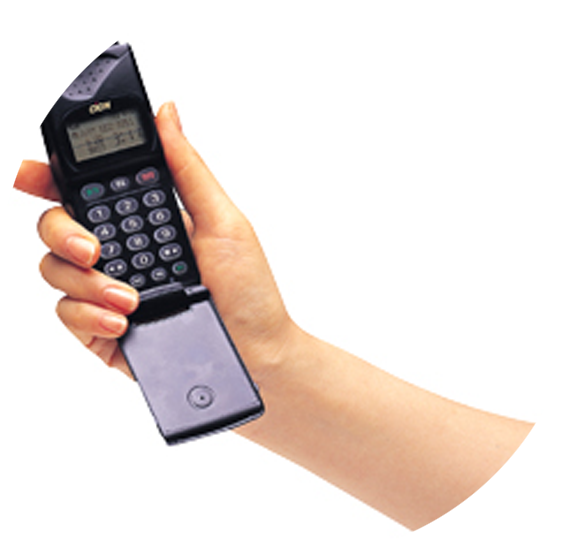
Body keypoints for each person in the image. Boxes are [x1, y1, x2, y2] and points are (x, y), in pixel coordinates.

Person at [1, 102, 534, 531]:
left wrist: (267, 359)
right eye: (94, 142)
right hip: (180, 307)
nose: (107, 144)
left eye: (117, 134)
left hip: (174, 291)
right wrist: (265, 360)